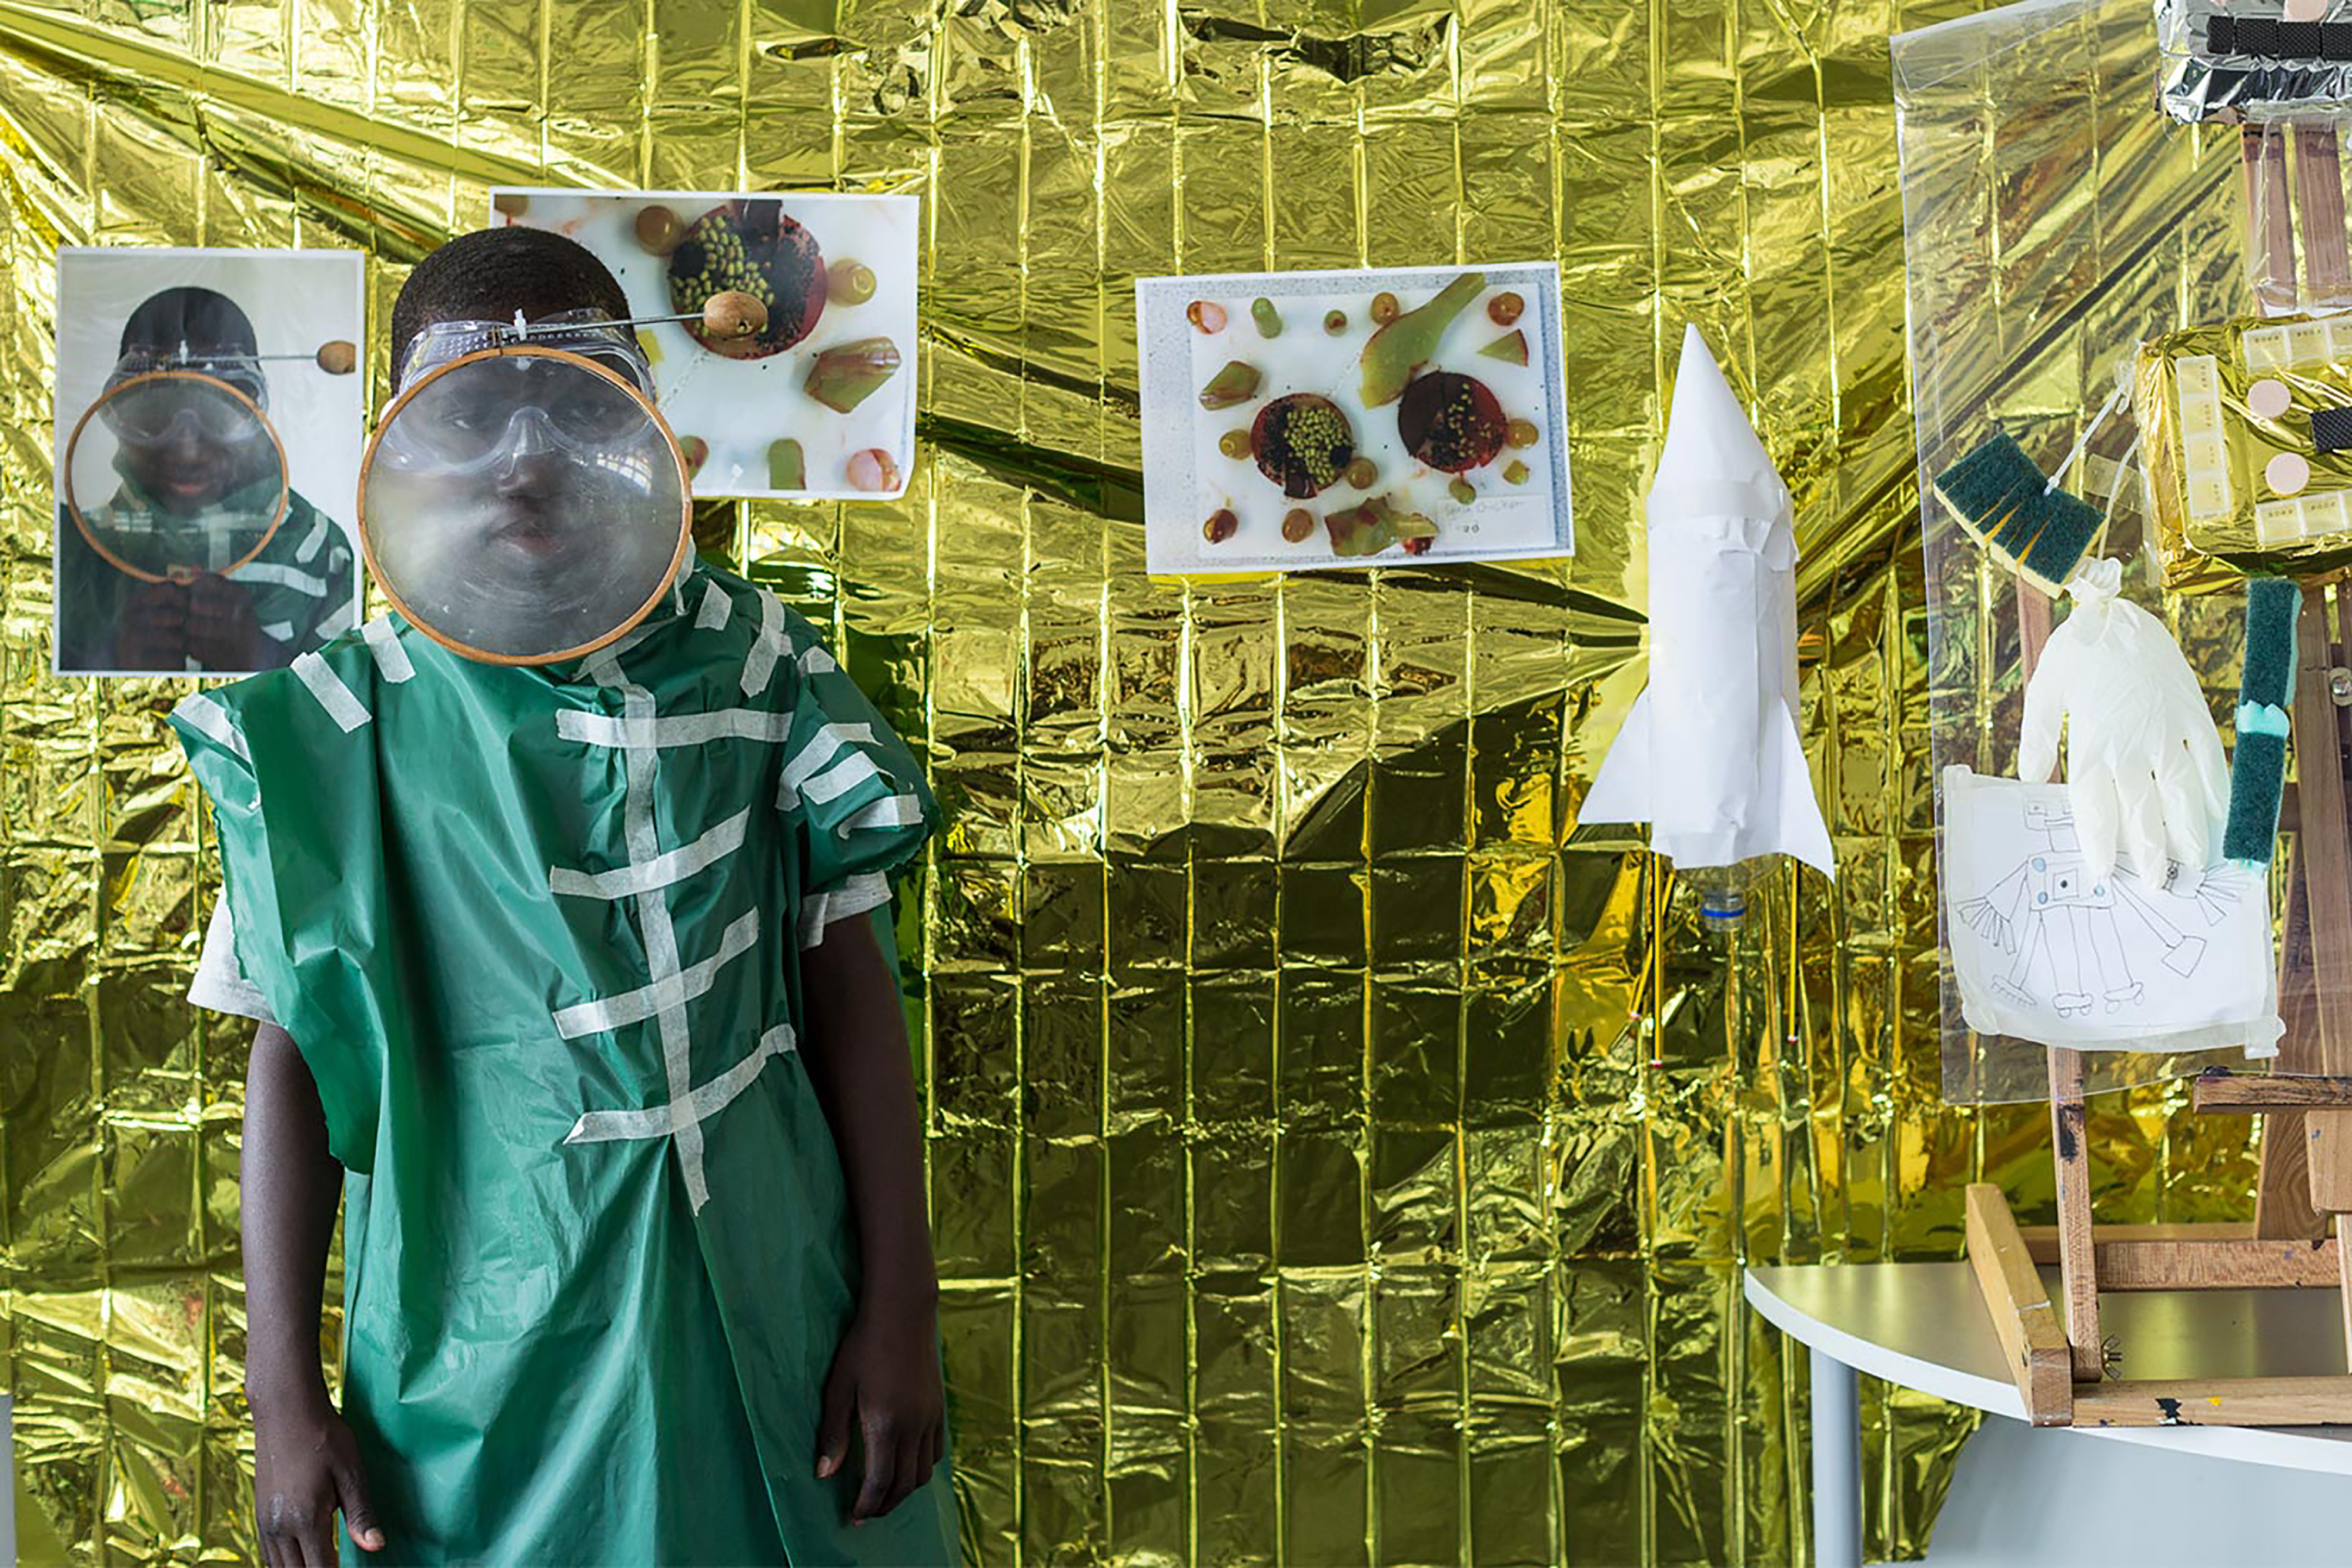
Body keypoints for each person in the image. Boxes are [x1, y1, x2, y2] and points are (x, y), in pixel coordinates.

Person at [172, 226, 958, 1565]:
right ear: (402, 441)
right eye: (472, 416)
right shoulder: (344, 726)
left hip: (769, 1302)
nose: (522, 456)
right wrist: (282, 1397)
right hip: (479, 1334)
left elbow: (851, 984)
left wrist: (901, 1310)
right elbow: (290, 1056)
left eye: (571, 408)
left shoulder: (756, 662)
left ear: (639, 421)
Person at [56, 285, 358, 674]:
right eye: (153, 410)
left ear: (256, 417)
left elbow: (350, 705)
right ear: (119, 415)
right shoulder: (74, 550)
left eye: (220, 413)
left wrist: (262, 660)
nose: (187, 451)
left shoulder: (319, 552)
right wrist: (113, 660)